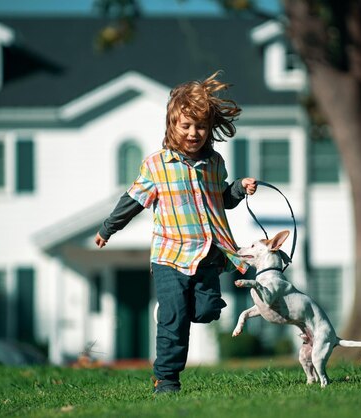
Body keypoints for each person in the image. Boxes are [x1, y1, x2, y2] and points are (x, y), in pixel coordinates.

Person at [94, 71, 256, 394]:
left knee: (208, 310)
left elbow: (221, 198)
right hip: (170, 256)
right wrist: (108, 229)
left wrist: (239, 188)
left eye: (200, 127)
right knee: (174, 315)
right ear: (172, 125)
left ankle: (180, 313)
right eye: (186, 126)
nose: (194, 133)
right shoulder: (157, 165)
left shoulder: (215, 163)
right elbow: (133, 201)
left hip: (208, 254)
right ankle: (166, 379)